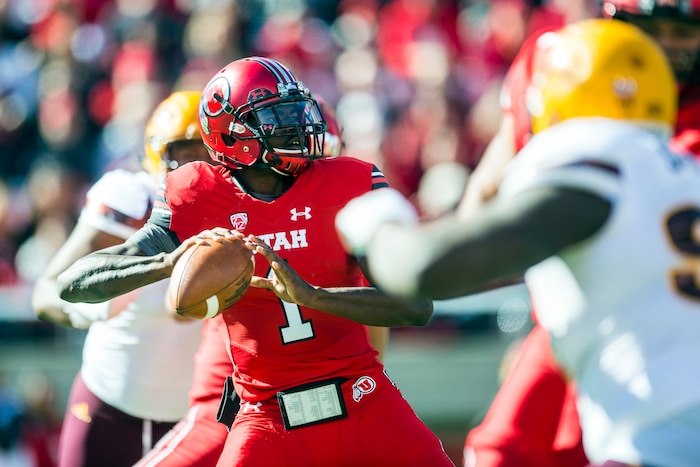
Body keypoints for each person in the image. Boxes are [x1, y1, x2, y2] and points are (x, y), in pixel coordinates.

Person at [337, 17, 700, 467]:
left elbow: (424, 268)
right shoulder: (685, 173)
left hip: (664, 441)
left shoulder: (597, 162)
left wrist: (377, 223)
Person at [56, 56, 453, 466]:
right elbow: (72, 284)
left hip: (362, 395)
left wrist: (313, 295)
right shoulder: (196, 195)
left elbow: (415, 307)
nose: (300, 125)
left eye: (297, 110)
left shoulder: (350, 180)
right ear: (233, 132)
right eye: (278, 116)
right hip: (265, 413)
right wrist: (167, 263)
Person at [454, 2, 700, 466]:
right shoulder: (566, 63)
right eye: (651, 27)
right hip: (573, 323)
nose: (666, 45)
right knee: (499, 454)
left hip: (672, 341)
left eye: (683, 31)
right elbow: (487, 190)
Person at [133, 95, 392, 467]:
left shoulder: (339, 196)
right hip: (244, 402)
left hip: (304, 399)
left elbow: (379, 328)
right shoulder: (225, 203)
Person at [31, 90, 211, 467]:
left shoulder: (241, 209)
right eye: (186, 153)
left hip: (193, 417)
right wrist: (92, 308)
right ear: (157, 153)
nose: (197, 166)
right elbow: (46, 293)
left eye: (208, 152)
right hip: (107, 403)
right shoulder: (131, 199)